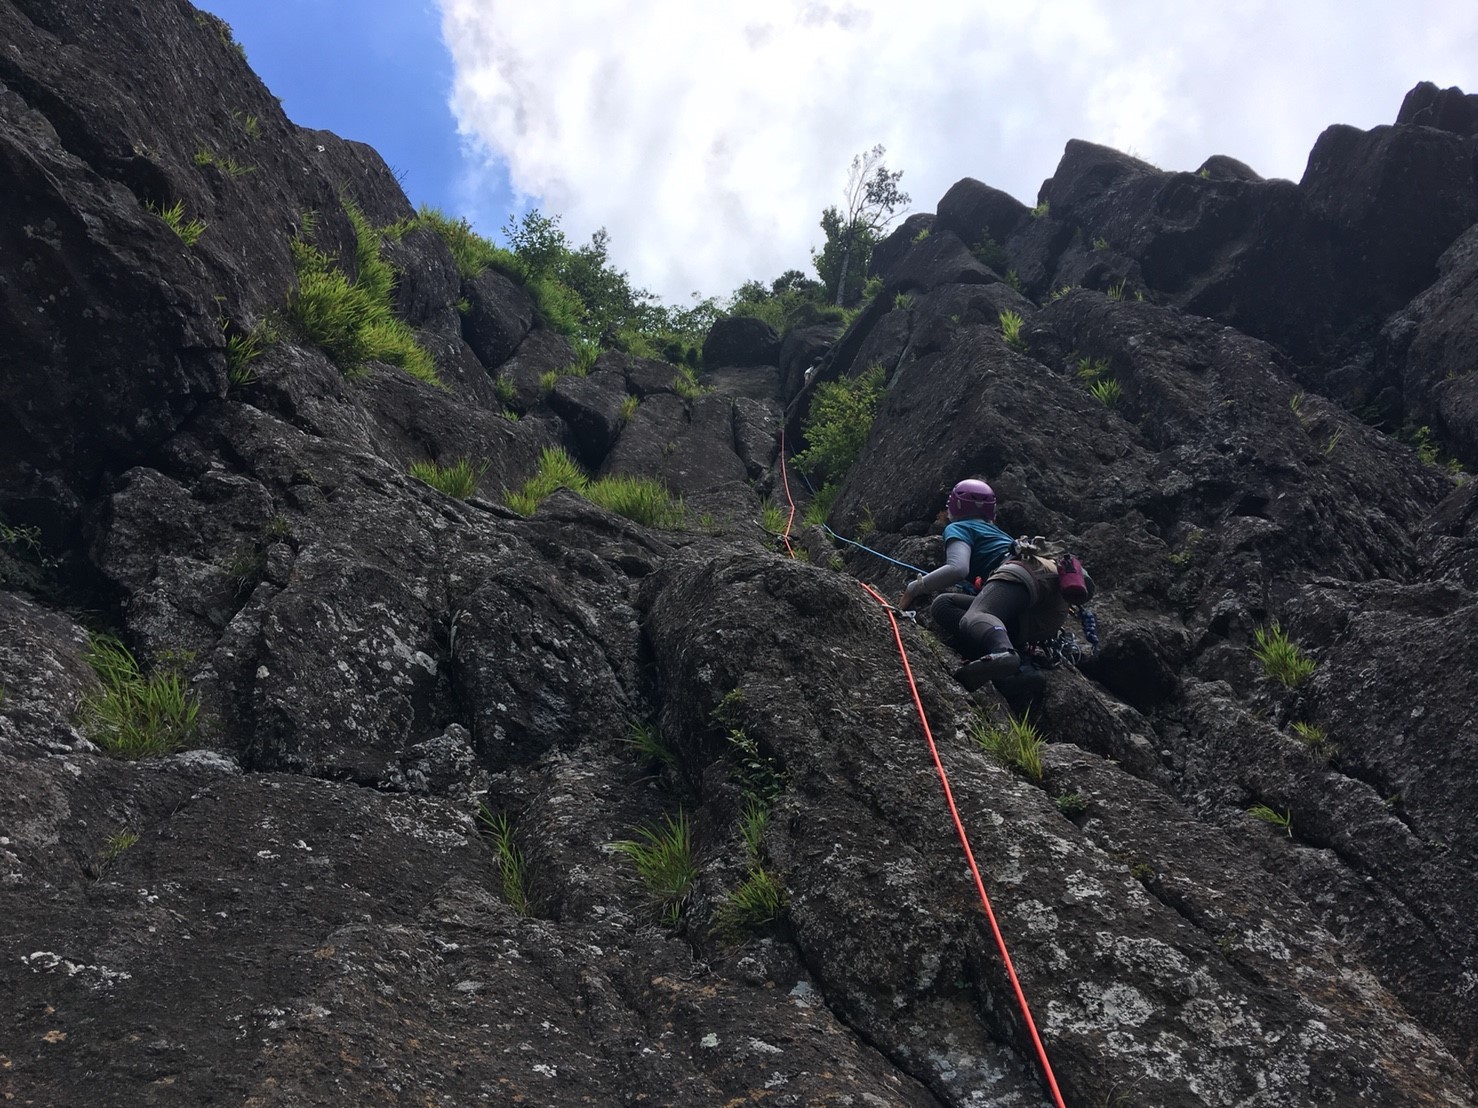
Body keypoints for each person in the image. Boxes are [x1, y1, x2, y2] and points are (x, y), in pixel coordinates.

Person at [898, 478, 1089, 691]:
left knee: (975, 616)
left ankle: (1002, 652)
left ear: (954, 505)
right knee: (944, 604)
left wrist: (913, 588)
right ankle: (1016, 669)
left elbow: (958, 568)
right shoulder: (1001, 535)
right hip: (1052, 600)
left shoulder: (959, 527)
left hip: (1020, 575)